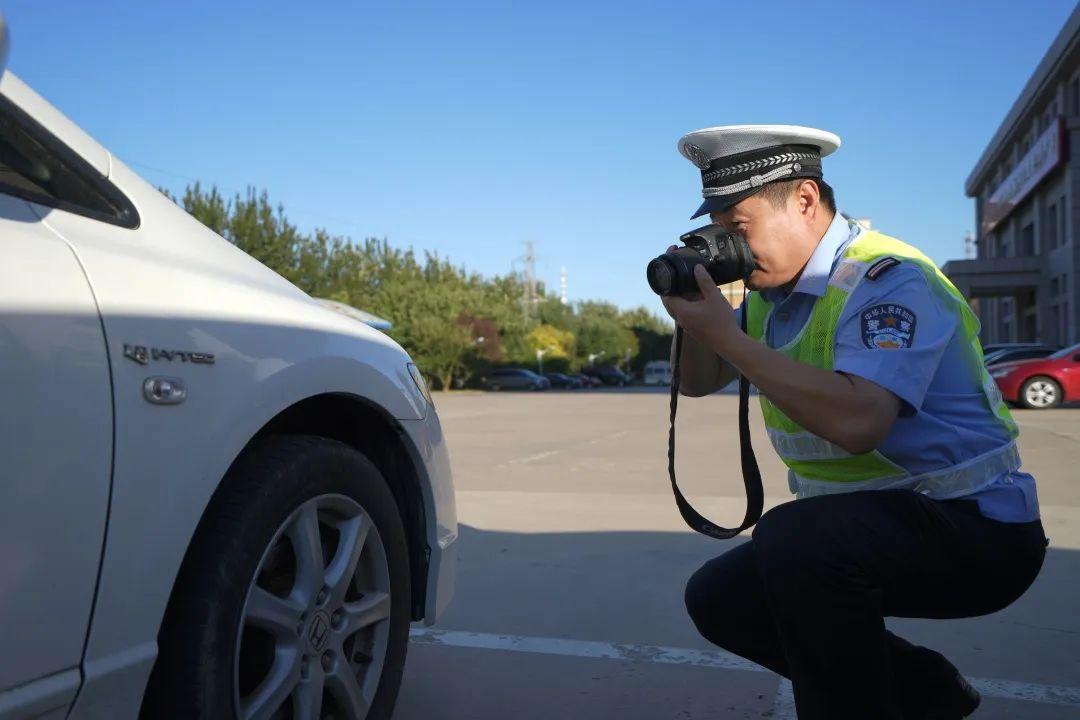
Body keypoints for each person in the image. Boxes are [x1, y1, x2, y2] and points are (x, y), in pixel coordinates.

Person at [662, 125, 1048, 719]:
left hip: (977, 533)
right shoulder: (768, 294)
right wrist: (696, 316)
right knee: (720, 597)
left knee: (794, 541)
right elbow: (696, 380)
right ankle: (925, 689)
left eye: (738, 230)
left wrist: (725, 337)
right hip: (866, 533)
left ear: (806, 200)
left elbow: (861, 422)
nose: (731, 246)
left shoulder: (886, 279)